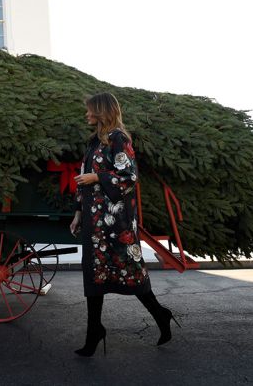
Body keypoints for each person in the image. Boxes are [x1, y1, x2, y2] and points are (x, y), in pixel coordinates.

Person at [70, 92, 179, 357]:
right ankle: (94, 330)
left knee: (130, 270)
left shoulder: (119, 139)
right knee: (94, 273)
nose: (86, 114)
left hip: (116, 223)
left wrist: (97, 176)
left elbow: (129, 177)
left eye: (90, 110)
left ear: (101, 111)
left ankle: (160, 314)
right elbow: (84, 179)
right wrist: (78, 213)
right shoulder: (95, 141)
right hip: (94, 222)